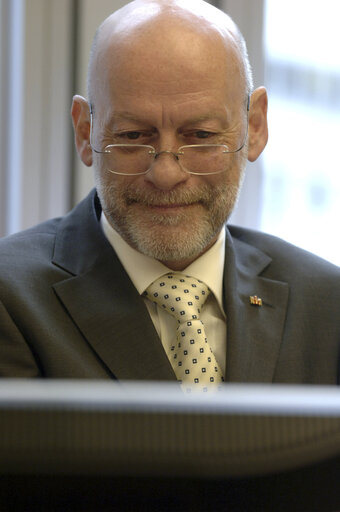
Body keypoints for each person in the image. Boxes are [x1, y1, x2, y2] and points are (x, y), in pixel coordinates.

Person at [0, 0, 339, 384]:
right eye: (132, 136)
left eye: (201, 137)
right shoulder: (10, 299)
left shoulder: (328, 306)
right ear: (84, 132)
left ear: (255, 127)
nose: (165, 173)